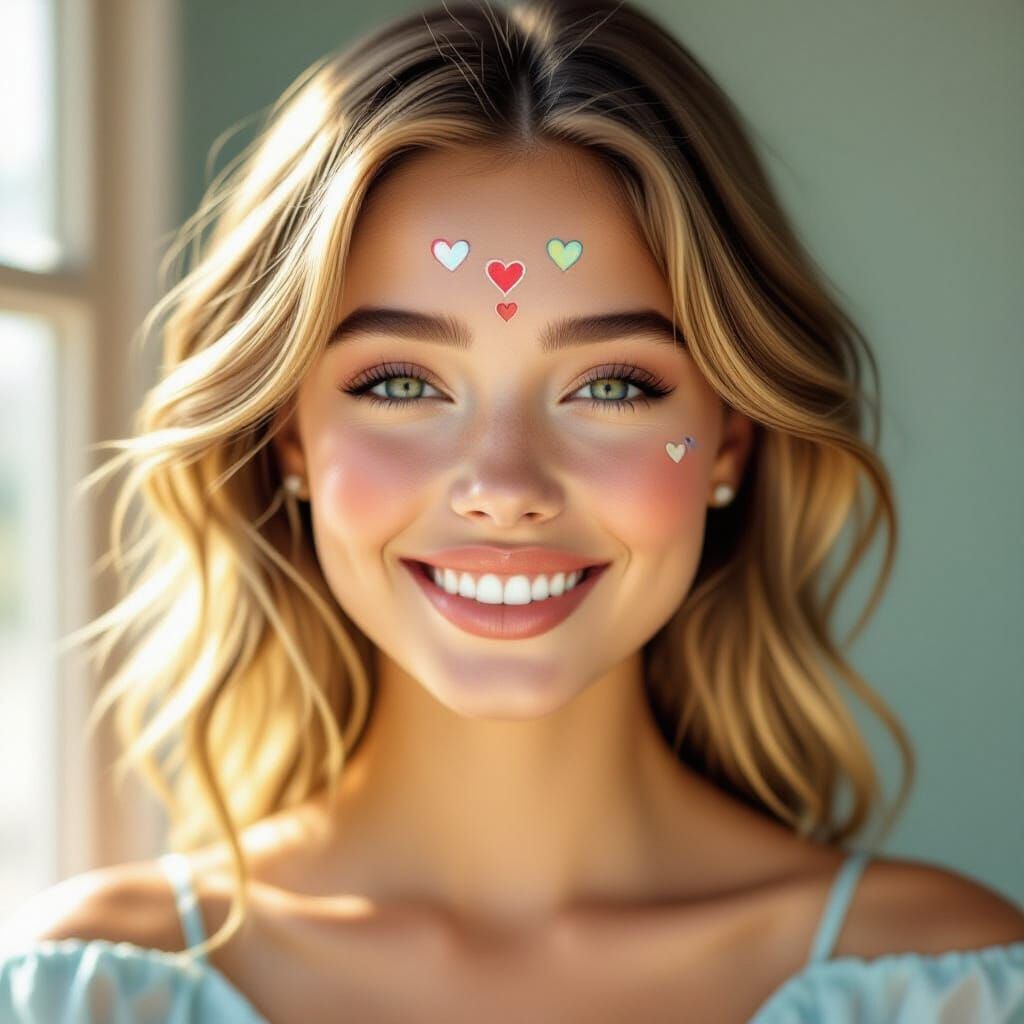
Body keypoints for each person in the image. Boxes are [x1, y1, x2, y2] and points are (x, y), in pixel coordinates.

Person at [2, 1, 1022, 1021]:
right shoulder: (82, 993)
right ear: (289, 439)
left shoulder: (954, 987)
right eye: (402, 383)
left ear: (729, 440)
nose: (504, 484)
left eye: (613, 384)